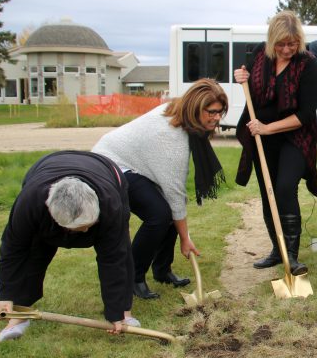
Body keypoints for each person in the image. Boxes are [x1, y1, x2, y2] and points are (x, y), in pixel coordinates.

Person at [93, 79, 228, 299]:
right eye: (211, 112)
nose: (216, 118)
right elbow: (174, 193)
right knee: (160, 214)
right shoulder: (172, 139)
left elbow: (174, 197)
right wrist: (186, 239)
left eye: (220, 112)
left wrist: (181, 224)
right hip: (111, 165)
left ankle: (162, 270)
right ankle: (133, 277)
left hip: (136, 163)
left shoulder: (181, 113)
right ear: (195, 108)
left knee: (172, 211)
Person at [0, 151, 138, 342]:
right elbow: (13, 250)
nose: (85, 232)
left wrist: (115, 311)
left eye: (88, 226)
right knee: (34, 251)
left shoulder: (110, 205)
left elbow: (114, 259)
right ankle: (19, 316)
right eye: (79, 228)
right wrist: (6, 294)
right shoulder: (30, 203)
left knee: (119, 249)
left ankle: (124, 314)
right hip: (45, 168)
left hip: (105, 171)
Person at [233, 10, 317, 275]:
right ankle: (277, 249)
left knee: (284, 188)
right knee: (267, 191)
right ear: (272, 41)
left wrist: (268, 127)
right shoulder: (261, 53)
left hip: (294, 136)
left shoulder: (308, 64)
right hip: (262, 139)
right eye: (281, 44)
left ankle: (292, 257)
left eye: (292, 44)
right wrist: (241, 77)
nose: (286, 49)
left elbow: (305, 115)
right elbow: (246, 78)